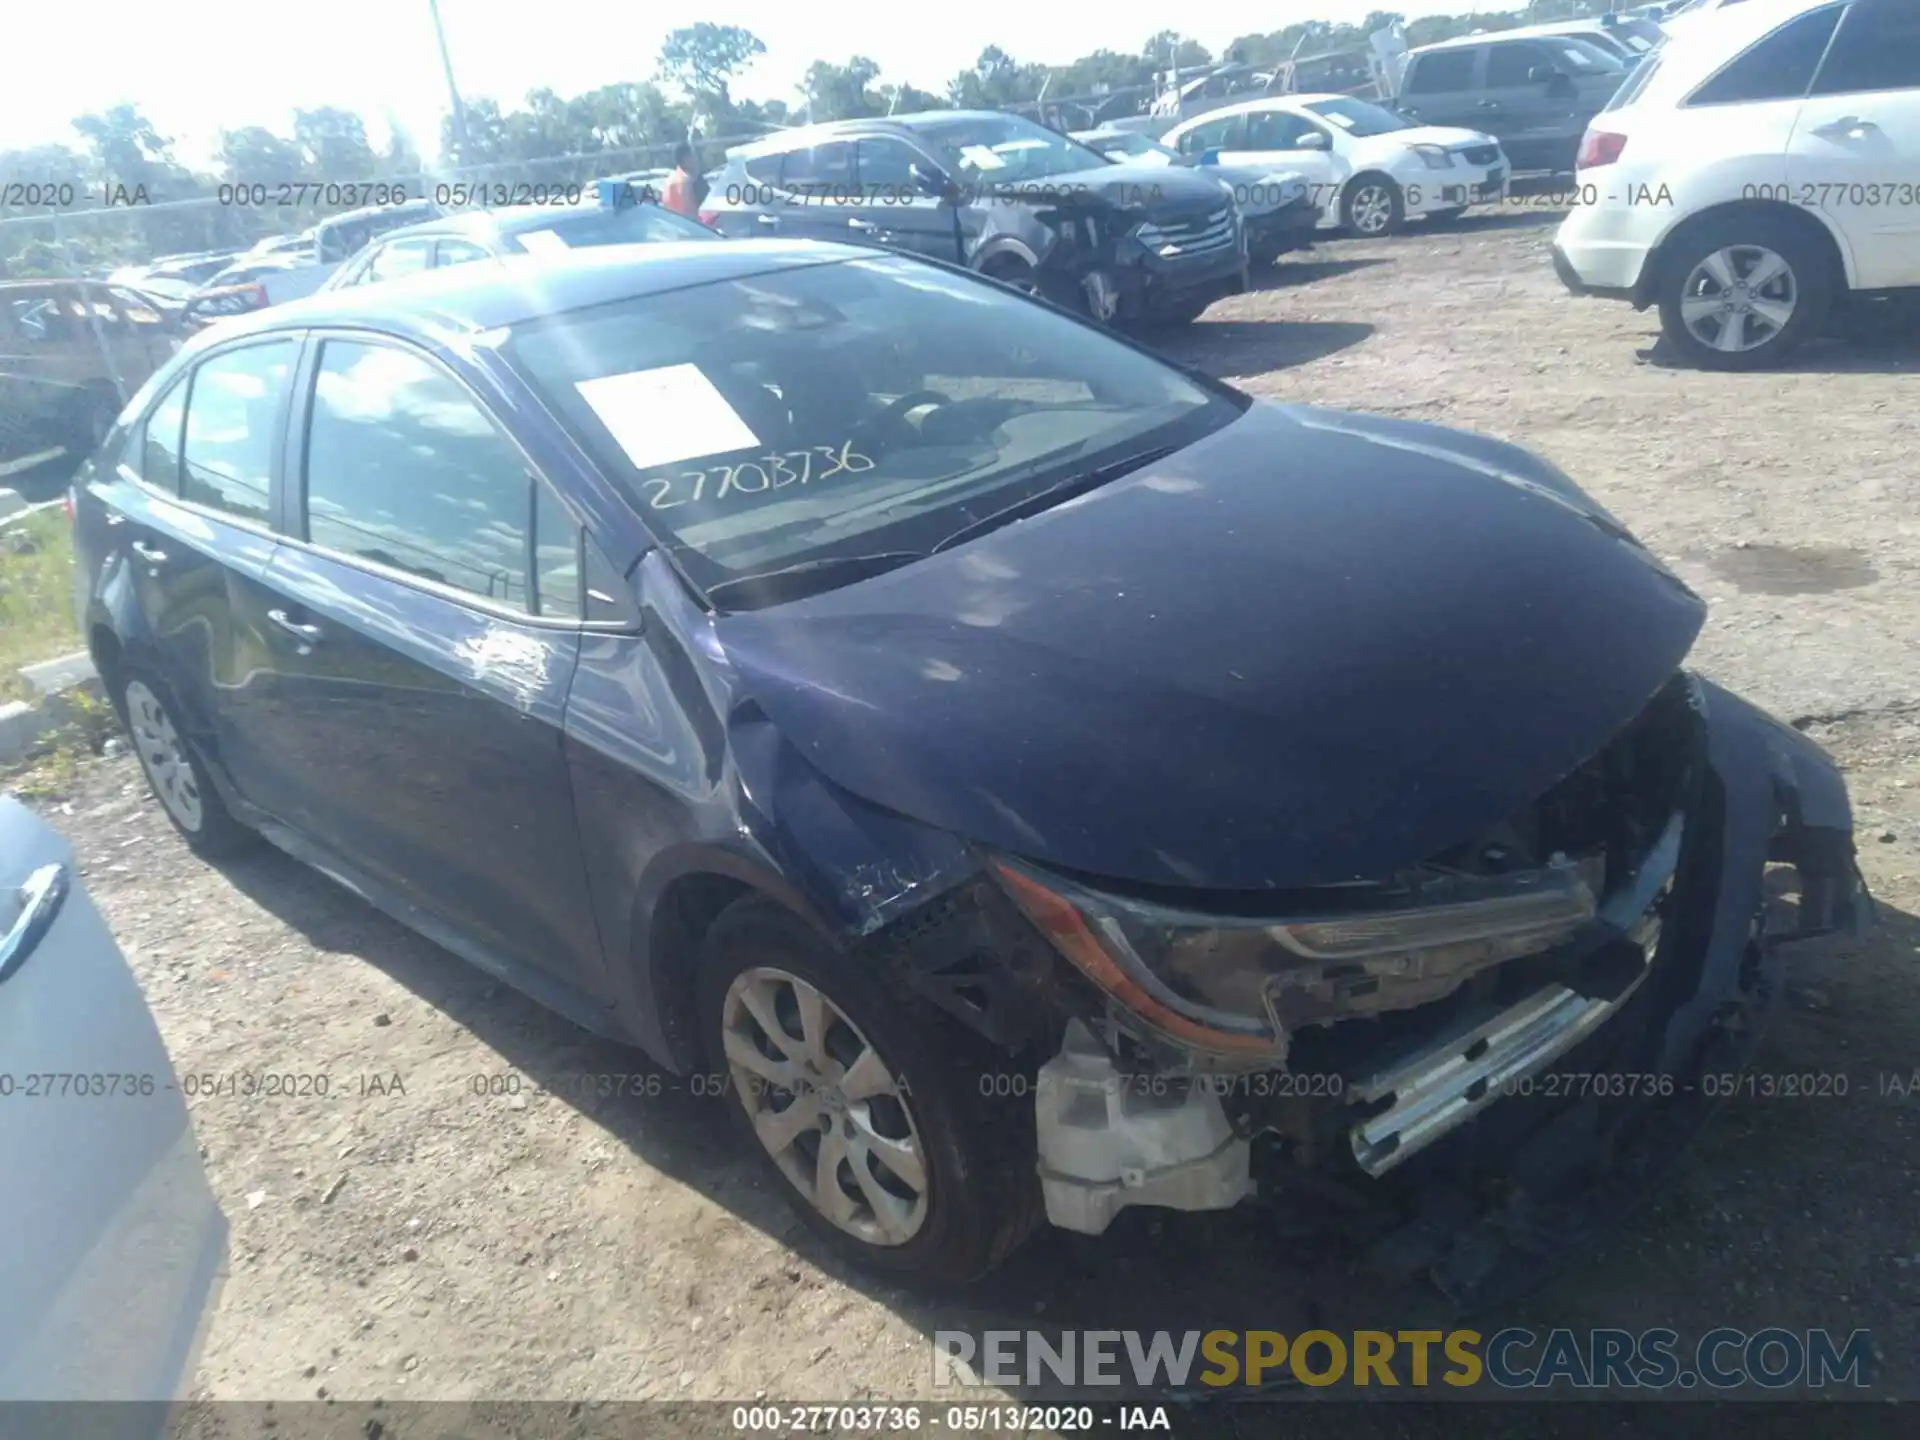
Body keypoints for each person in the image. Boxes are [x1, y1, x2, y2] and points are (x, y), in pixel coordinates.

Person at [662, 143, 702, 217]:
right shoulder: (686, 182)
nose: (697, 159)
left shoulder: (669, 181)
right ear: (687, 159)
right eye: (693, 155)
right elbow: (691, 214)